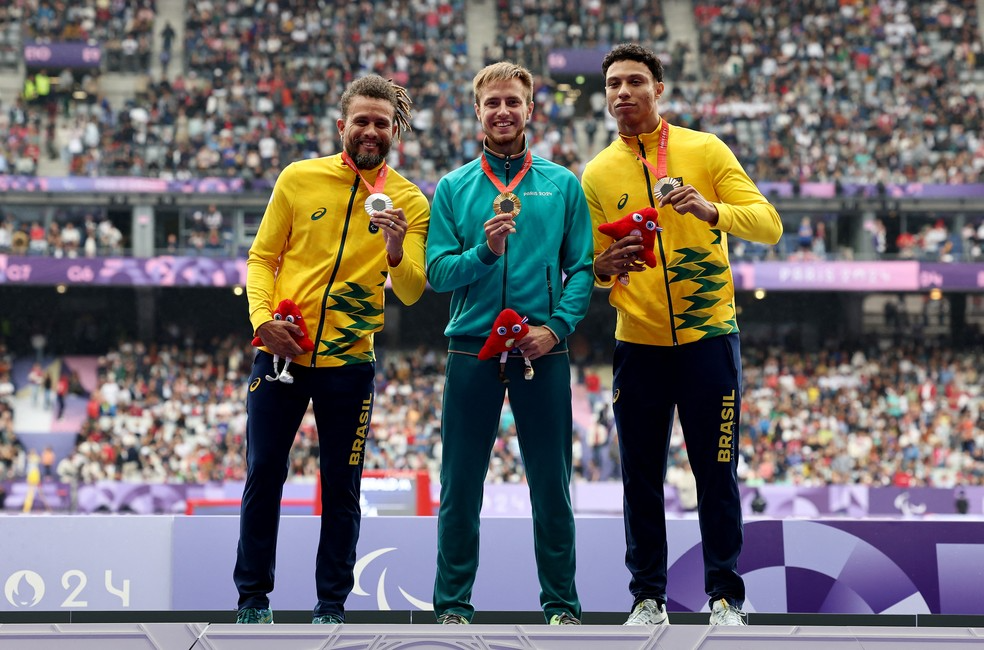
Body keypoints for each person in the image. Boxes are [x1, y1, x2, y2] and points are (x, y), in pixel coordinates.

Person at [581, 43, 782, 627]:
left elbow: (769, 224)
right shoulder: (596, 173)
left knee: (715, 472)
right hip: (638, 343)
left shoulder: (705, 148)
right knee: (640, 478)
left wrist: (712, 210)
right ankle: (647, 598)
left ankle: (725, 598)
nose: (623, 92)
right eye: (613, 84)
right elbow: (589, 266)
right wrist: (603, 266)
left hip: (709, 338)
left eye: (634, 81)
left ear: (658, 89)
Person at [234, 74, 429, 625]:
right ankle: (252, 601)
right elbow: (261, 258)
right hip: (282, 353)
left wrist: (396, 248)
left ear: (394, 132)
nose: (370, 130)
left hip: (350, 363)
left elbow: (413, 290)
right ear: (342, 125)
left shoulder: (411, 201)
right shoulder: (298, 178)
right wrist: (262, 321)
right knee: (264, 473)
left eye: (381, 123)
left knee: (342, 486)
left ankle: (331, 607)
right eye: (361, 120)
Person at [426, 61, 594, 626]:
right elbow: (438, 273)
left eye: (512, 102)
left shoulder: (562, 184)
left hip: (541, 348)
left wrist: (556, 328)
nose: (503, 111)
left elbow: (581, 268)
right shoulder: (453, 187)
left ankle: (562, 608)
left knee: (552, 486)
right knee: (460, 485)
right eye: (492, 102)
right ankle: (452, 607)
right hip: (470, 349)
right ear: (477, 111)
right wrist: (485, 253)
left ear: (530, 110)